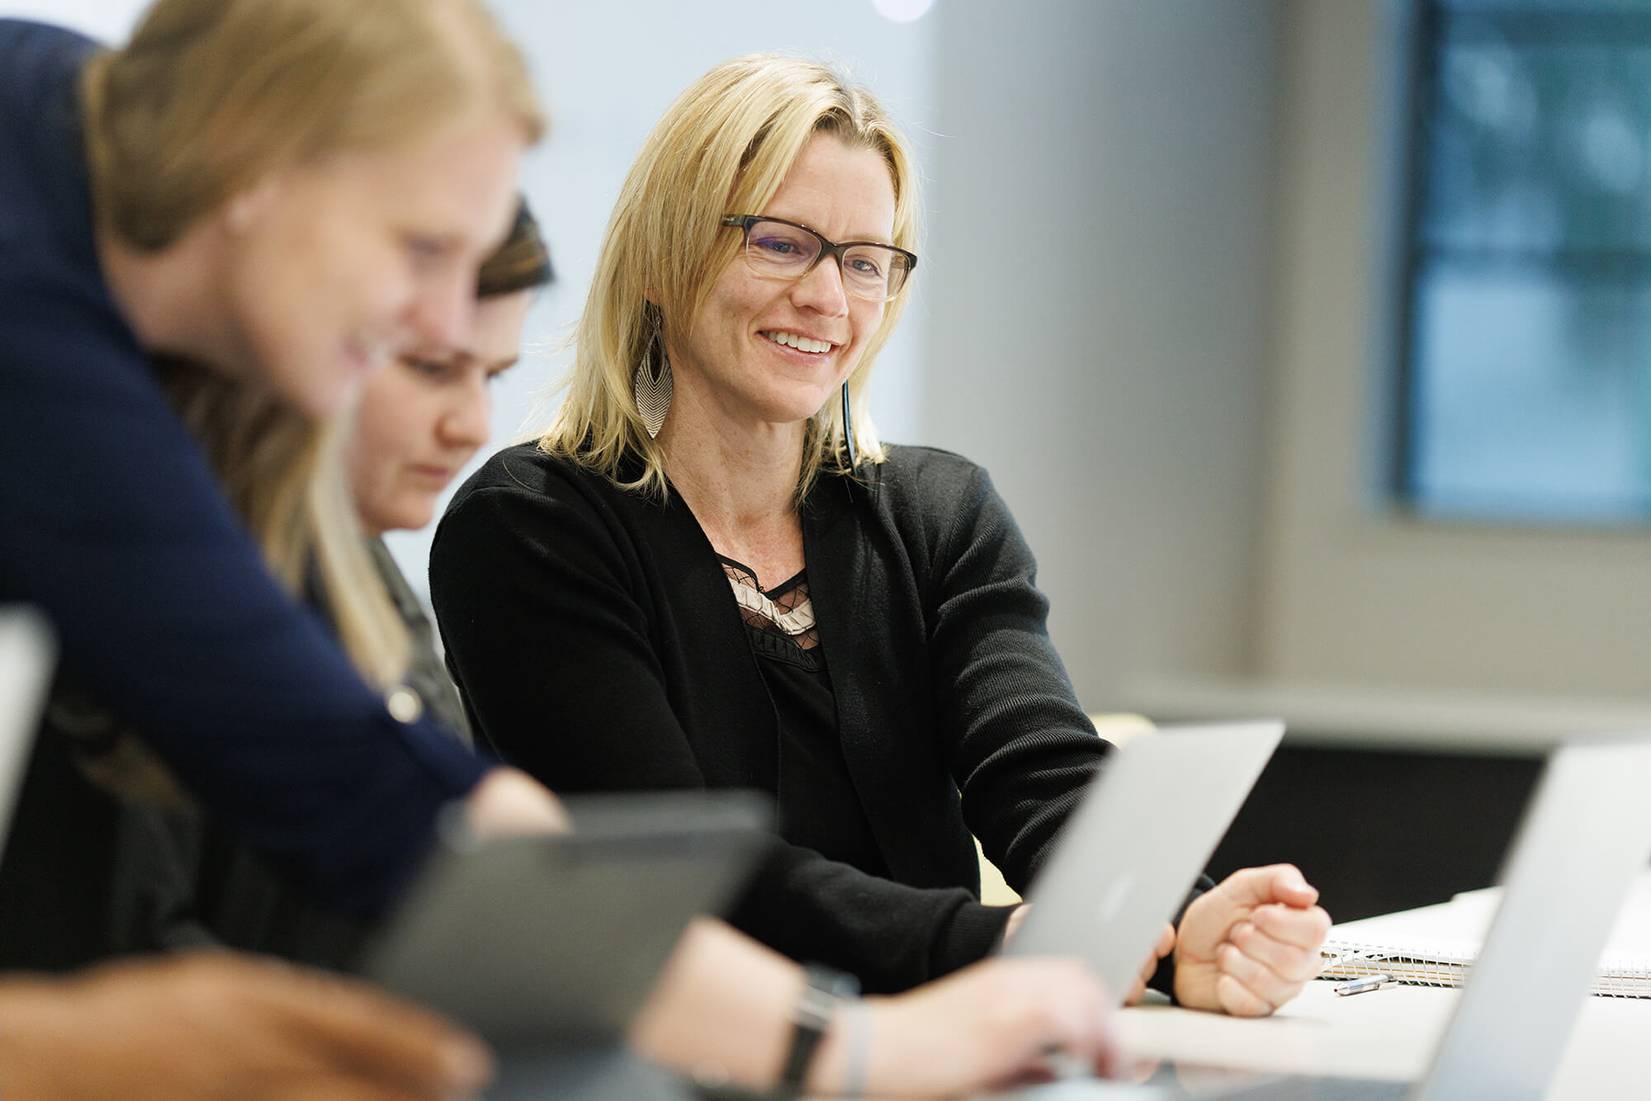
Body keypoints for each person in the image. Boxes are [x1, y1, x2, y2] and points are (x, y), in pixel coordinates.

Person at [0, 7, 1121, 1085]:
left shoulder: (92, 199)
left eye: (867, 260)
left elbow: (389, 789)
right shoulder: (41, 291)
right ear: (253, 173)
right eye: (421, 247)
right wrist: (859, 1049)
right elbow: (349, 781)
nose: (438, 323)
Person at [431, 53, 1330, 1012]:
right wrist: (997, 947)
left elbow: (1037, 774)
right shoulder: (531, 526)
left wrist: (1175, 924)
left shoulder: (938, 510)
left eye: (866, 261)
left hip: (944, 1048)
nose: (829, 298)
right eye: (780, 242)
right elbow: (683, 871)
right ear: (661, 255)